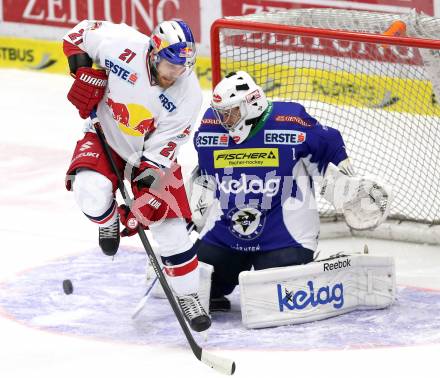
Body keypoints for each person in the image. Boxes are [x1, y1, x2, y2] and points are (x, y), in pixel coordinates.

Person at [190, 71, 392, 312]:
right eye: (221, 113)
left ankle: (333, 267)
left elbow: (329, 147)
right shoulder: (211, 129)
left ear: (251, 104)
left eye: (230, 112)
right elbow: (204, 174)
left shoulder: (290, 121)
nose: (224, 120)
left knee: (281, 296)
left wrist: (347, 187)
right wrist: (194, 212)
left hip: (284, 238)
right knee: (198, 284)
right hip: (227, 233)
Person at [62, 19, 210, 332]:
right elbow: (77, 35)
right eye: (171, 65)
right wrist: (81, 68)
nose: (176, 74)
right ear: (154, 53)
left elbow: (159, 154)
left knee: (170, 230)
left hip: (151, 157)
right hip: (105, 133)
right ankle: (108, 220)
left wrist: (144, 202)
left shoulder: (189, 96)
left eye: (183, 67)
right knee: (90, 189)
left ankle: (188, 295)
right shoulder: (120, 43)